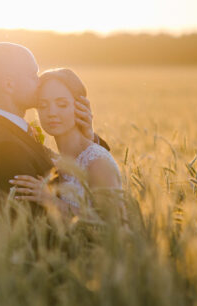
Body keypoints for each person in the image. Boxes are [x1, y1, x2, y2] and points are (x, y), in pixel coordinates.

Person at [0, 44, 94, 203]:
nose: (40, 82)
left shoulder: (9, 131)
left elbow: (68, 171)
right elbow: (30, 221)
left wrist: (87, 139)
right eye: (33, 75)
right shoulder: (7, 147)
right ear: (9, 85)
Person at [10, 68, 123, 218]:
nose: (52, 112)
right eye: (43, 105)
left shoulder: (97, 161)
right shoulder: (52, 161)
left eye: (62, 104)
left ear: (80, 107)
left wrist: (50, 201)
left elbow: (114, 226)